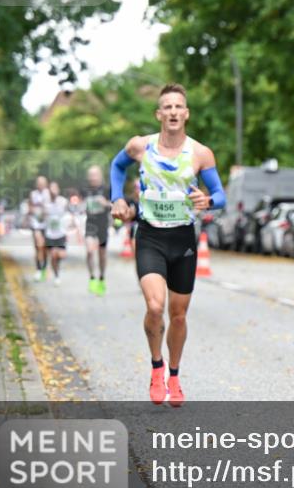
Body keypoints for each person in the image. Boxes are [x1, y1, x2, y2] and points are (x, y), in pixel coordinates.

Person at [109, 83, 226, 407]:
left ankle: (174, 375)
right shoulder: (140, 147)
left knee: (177, 315)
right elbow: (117, 167)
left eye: (179, 107)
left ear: (186, 114)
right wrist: (117, 197)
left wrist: (208, 199)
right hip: (149, 236)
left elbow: (220, 196)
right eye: (167, 107)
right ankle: (156, 366)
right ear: (159, 114)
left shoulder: (201, 153)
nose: (173, 112)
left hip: (184, 239)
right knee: (155, 306)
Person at [82, 165, 112, 295]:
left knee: (102, 253)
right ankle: (92, 278)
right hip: (90, 223)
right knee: (89, 251)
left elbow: (116, 206)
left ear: (100, 176)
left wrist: (105, 203)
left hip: (103, 224)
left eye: (95, 175)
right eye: (91, 175)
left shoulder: (107, 189)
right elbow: (78, 205)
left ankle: (102, 277)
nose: (93, 178)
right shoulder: (85, 190)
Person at [43, 182, 73, 285]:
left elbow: (70, 213)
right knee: (53, 255)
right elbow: (41, 216)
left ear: (58, 190)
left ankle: (56, 269)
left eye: (55, 188)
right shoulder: (45, 203)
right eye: (51, 188)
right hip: (50, 234)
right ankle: (56, 276)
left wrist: (72, 224)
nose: (53, 190)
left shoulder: (63, 201)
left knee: (61, 255)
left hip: (61, 233)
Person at [29, 176, 52, 281]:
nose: (40, 184)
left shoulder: (49, 193)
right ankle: (38, 269)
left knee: (45, 248)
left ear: (46, 183)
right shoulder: (33, 194)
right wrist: (33, 210)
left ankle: (44, 268)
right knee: (38, 246)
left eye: (43, 183)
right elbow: (29, 207)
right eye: (39, 183)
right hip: (36, 224)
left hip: (47, 225)